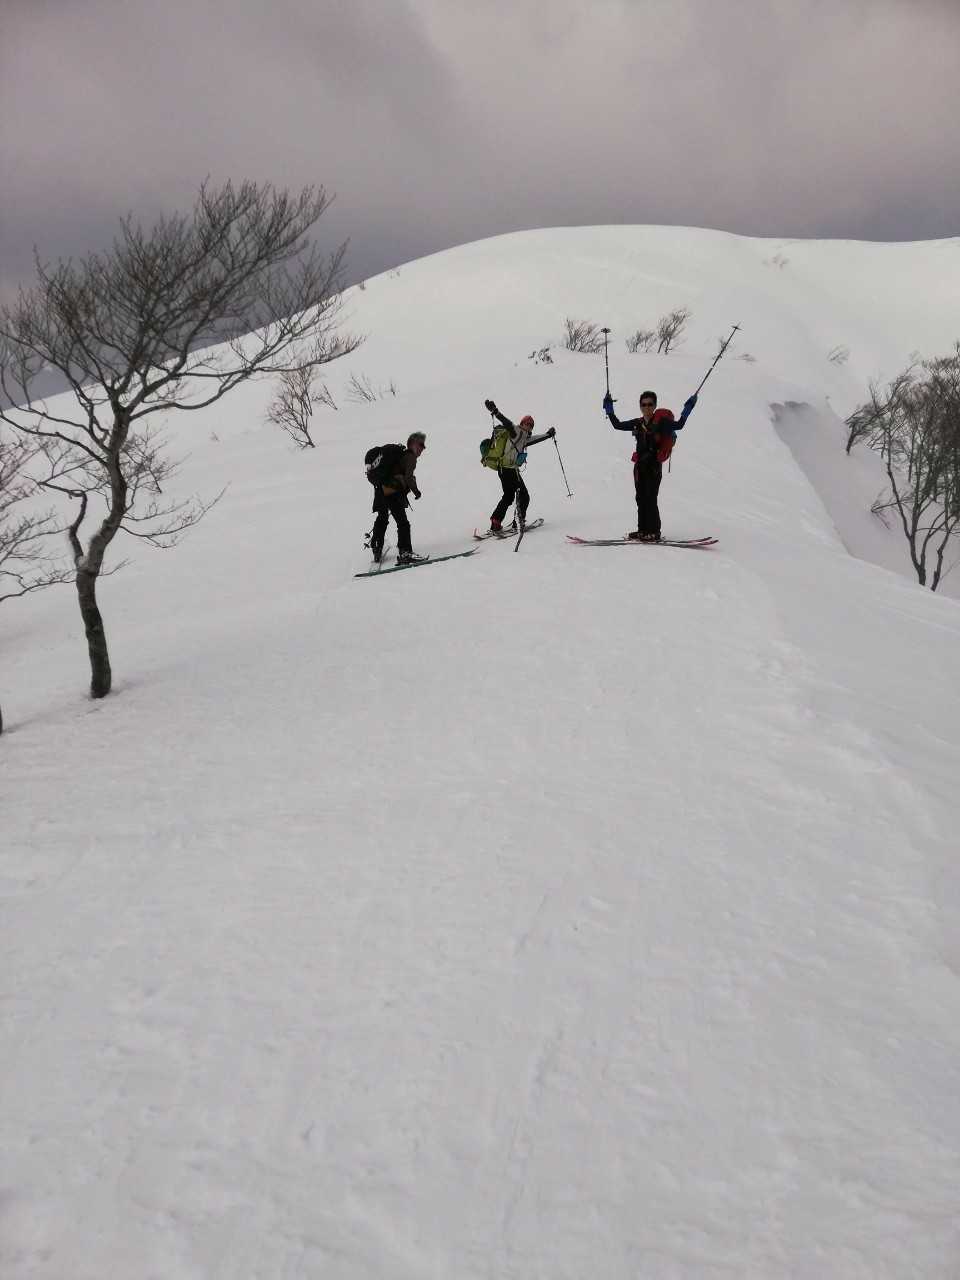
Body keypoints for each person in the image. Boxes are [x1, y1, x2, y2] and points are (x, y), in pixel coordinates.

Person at [602, 389, 697, 540]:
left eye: (650, 404)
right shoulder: (638, 423)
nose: (646, 407)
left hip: (653, 467)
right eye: (644, 404)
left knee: (651, 498)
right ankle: (642, 530)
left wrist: (689, 406)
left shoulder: (662, 423)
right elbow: (617, 425)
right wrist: (608, 406)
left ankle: (654, 531)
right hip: (639, 466)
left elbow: (679, 425)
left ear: (655, 406)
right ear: (640, 406)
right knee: (640, 498)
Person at [482, 399, 555, 533]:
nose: (529, 426)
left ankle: (496, 521)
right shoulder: (515, 431)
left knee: (509, 496)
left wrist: (548, 434)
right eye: (527, 423)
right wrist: (495, 411)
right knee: (524, 496)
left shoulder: (524, 438)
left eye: (531, 425)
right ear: (522, 423)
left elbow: (535, 439)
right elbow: (506, 422)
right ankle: (519, 521)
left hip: (504, 470)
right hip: (508, 470)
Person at [369, 431, 427, 564]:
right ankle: (405, 552)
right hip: (393, 492)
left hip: (381, 490)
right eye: (421, 445)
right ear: (413, 445)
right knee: (403, 523)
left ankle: (377, 547)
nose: (423, 449)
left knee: (382, 518)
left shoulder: (398, 457)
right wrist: (416, 491)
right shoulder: (410, 457)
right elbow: (408, 477)